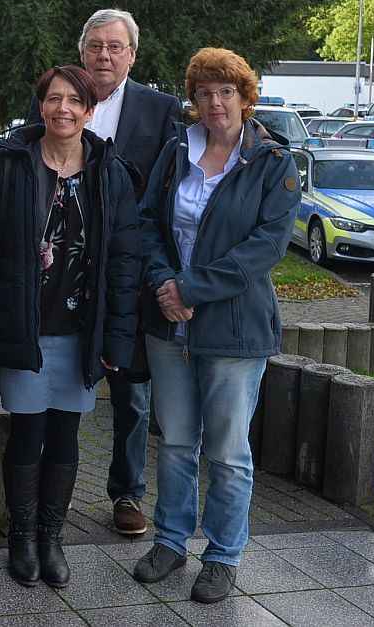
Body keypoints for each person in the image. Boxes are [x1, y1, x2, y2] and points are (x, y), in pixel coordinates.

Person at [132, 47, 300, 603]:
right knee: (177, 443)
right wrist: (163, 282)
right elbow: (146, 224)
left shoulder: (273, 162)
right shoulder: (178, 149)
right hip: (169, 325)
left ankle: (223, 556)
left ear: (245, 98)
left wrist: (190, 289)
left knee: (228, 453)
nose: (214, 102)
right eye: (204, 93)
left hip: (234, 331)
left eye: (226, 92)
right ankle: (171, 542)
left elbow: (266, 247)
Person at [0, 65, 140, 589]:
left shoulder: (110, 172)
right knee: (27, 431)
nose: (62, 109)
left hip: (80, 328)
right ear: (39, 106)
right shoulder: (10, 164)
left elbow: (126, 260)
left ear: (90, 111)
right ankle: (20, 538)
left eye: (74, 101)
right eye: (53, 99)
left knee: (67, 433)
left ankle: (52, 538)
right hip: (24, 322)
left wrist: (116, 336)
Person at [26, 9, 181, 537]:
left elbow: (166, 193)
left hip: (128, 269)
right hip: (62, 273)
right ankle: (52, 494)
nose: (104, 56)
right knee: (53, 385)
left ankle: (127, 493)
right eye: (95, 46)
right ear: (82, 48)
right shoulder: (58, 96)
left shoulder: (160, 111)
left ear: (132, 55)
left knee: (131, 390)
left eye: (116, 47)